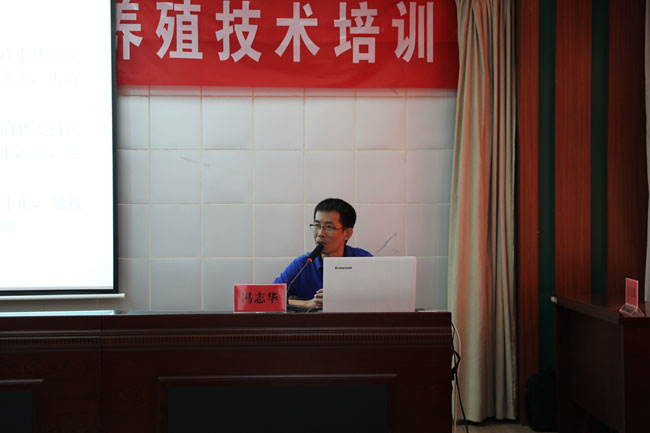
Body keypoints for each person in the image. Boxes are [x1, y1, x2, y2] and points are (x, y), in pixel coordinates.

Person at [274, 198, 372, 310]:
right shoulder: (303, 264)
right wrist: (307, 304)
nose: (320, 233)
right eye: (317, 226)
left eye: (329, 227)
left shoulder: (364, 261)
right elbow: (270, 298)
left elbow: (381, 299)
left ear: (347, 233)